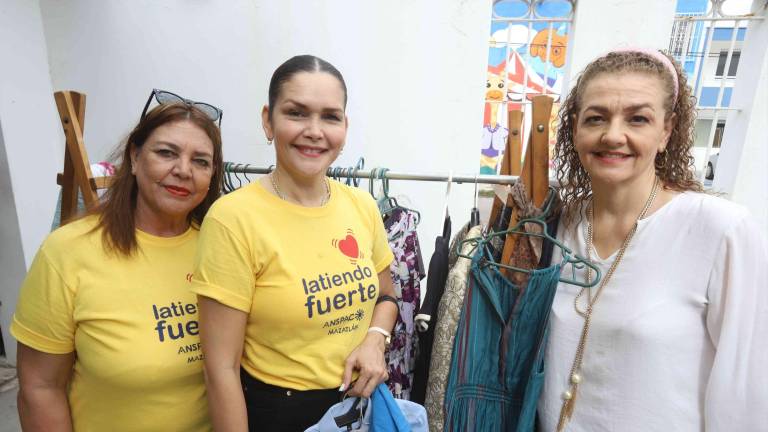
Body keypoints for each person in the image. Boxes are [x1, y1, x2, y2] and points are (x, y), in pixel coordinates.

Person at [537, 48, 768, 431]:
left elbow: (748, 393)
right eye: (596, 118)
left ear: (666, 131)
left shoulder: (719, 230)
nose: (613, 135)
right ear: (575, 128)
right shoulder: (558, 226)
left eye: (637, 119)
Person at [192, 55, 398, 432]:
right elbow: (220, 370)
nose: (315, 131)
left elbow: (386, 297)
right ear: (268, 121)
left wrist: (374, 340)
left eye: (330, 117)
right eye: (297, 113)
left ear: (345, 127)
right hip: (280, 414)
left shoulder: (362, 206)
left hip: (356, 412)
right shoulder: (233, 218)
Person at [12, 93, 224, 432]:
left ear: (213, 175)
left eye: (200, 161)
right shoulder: (68, 251)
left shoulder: (223, 248)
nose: (183, 170)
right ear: (135, 158)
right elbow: (40, 388)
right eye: (166, 153)